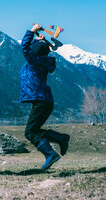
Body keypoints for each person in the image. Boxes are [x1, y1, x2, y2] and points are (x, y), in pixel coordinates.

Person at [19, 23, 70, 170]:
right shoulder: (39, 61)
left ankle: (50, 154)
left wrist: (31, 31)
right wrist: (39, 40)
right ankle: (60, 138)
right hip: (43, 101)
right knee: (33, 131)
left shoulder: (34, 61)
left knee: (30, 132)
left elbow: (25, 48)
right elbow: (35, 50)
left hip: (42, 101)